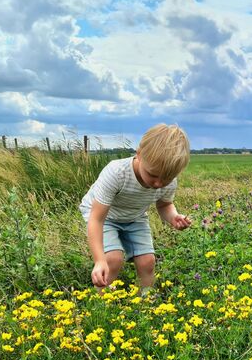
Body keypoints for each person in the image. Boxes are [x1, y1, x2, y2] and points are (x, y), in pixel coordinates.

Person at [80, 123, 192, 293]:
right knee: (113, 259)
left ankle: (145, 305)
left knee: (147, 261)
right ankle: (101, 304)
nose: (158, 184)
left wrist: (173, 217)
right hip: (105, 216)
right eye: (153, 175)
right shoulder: (117, 173)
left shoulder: (168, 182)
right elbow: (96, 219)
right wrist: (99, 260)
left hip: (135, 217)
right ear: (139, 154)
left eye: (166, 179)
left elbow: (164, 204)